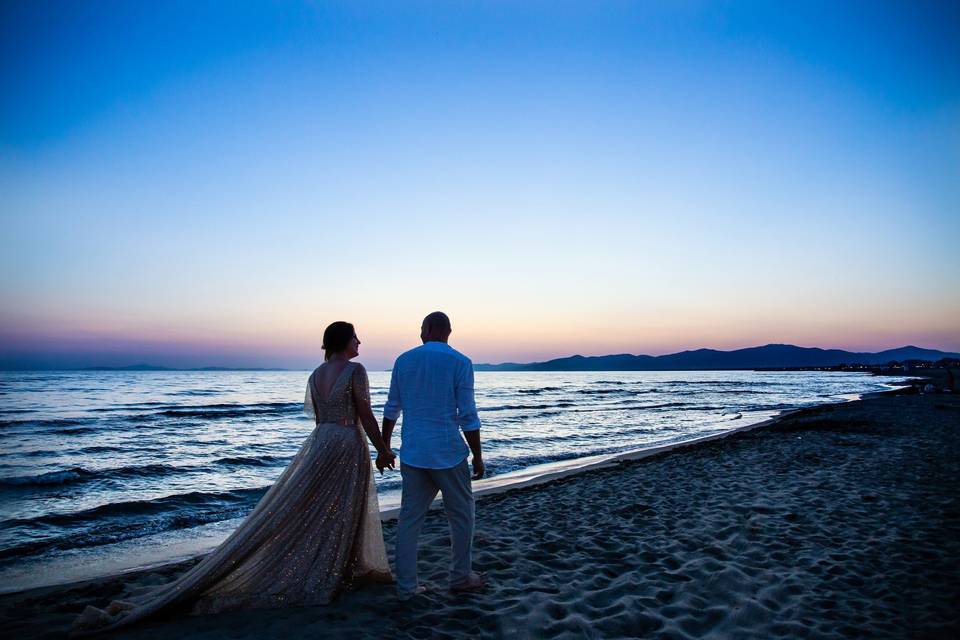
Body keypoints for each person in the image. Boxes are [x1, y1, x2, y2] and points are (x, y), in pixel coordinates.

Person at [72, 322, 395, 635]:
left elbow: (318, 418)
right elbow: (364, 414)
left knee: (313, 508)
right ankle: (335, 572)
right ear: (343, 341)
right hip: (344, 443)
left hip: (319, 444)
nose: (360, 342)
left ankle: (338, 568)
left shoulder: (314, 375)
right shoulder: (356, 371)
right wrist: (382, 449)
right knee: (340, 509)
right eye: (355, 337)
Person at [381, 311, 487, 600]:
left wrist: (384, 447)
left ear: (427, 329)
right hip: (448, 452)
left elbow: (392, 407)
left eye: (421, 328)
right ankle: (460, 577)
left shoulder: (404, 360)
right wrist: (477, 456)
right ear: (448, 331)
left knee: (409, 520)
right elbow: (468, 415)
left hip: (414, 452)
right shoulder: (461, 362)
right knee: (462, 515)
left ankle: (406, 587)